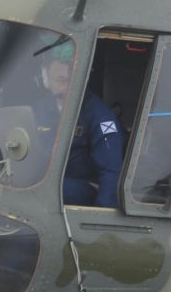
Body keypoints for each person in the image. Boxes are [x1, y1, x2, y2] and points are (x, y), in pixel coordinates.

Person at [41, 41, 123, 207]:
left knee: (55, 189)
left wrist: (101, 217)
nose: (66, 88)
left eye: (71, 80)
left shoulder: (101, 118)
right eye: (60, 80)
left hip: (81, 188)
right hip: (44, 183)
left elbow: (111, 173)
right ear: (45, 78)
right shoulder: (39, 109)